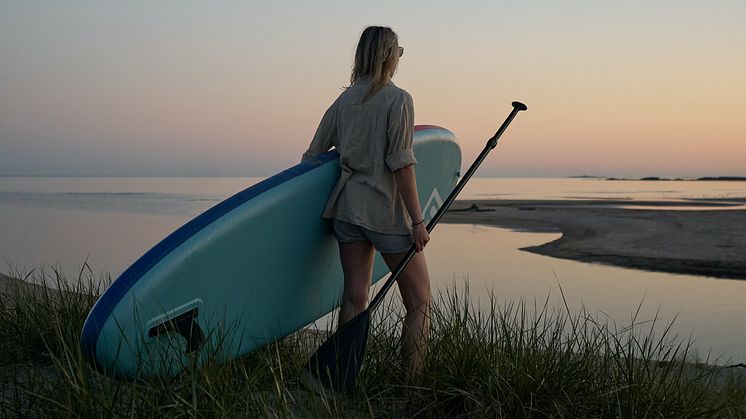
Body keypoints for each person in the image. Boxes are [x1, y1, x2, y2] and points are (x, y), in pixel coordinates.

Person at [301, 26, 431, 383]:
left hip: (346, 211)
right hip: (386, 213)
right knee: (419, 302)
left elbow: (312, 156)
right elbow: (402, 164)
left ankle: (341, 380)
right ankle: (410, 386)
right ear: (389, 56)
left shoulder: (342, 102)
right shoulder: (398, 99)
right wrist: (418, 221)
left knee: (354, 297)